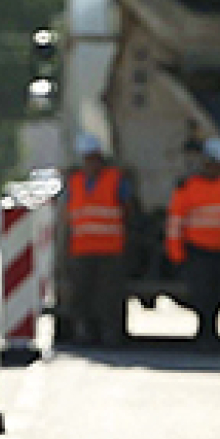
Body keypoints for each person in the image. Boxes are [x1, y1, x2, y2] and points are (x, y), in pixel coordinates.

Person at [165, 137, 220, 345]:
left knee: (219, 293)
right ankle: (204, 334)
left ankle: (212, 332)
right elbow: (176, 223)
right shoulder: (188, 188)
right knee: (202, 295)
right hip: (198, 251)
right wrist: (176, 254)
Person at [65, 132, 136, 345]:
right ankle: (86, 332)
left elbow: (128, 209)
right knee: (82, 293)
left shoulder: (116, 180)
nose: (90, 163)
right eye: (87, 159)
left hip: (110, 249)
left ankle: (111, 334)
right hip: (82, 249)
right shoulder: (75, 182)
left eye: (93, 158)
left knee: (110, 295)